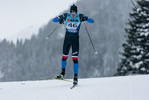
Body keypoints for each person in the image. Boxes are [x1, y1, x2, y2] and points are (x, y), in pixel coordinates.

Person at [53, 4, 94, 85]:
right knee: (64, 56)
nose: (73, 15)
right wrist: (59, 19)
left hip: (75, 39)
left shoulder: (80, 16)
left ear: (77, 12)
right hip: (67, 39)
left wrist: (85, 18)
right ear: (70, 11)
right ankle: (62, 73)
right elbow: (54, 20)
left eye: (75, 13)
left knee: (75, 59)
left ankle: (75, 77)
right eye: (72, 13)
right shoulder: (66, 15)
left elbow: (92, 21)